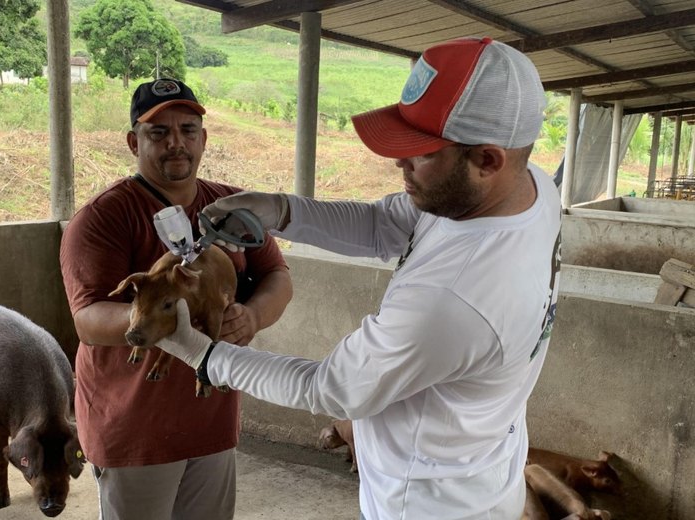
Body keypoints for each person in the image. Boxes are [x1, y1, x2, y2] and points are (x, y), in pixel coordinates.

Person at [155, 37, 562, 520]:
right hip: (481, 466)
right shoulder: (528, 186)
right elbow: (387, 222)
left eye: (421, 152)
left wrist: (205, 356)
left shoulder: (451, 301)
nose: (398, 163)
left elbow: (329, 388)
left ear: (487, 160)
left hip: (431, 505)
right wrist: (282, 210)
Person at [59, 78, 293, 520]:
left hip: (211, 422)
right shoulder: (103, 218)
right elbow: (88, 317)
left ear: (203, 139)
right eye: (158, 133)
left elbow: (277, 275)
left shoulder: (228, 206)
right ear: (133, 142)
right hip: (134, 430)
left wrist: (253, 316)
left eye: (188, 130)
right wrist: (173, 327)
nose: (176, 144)